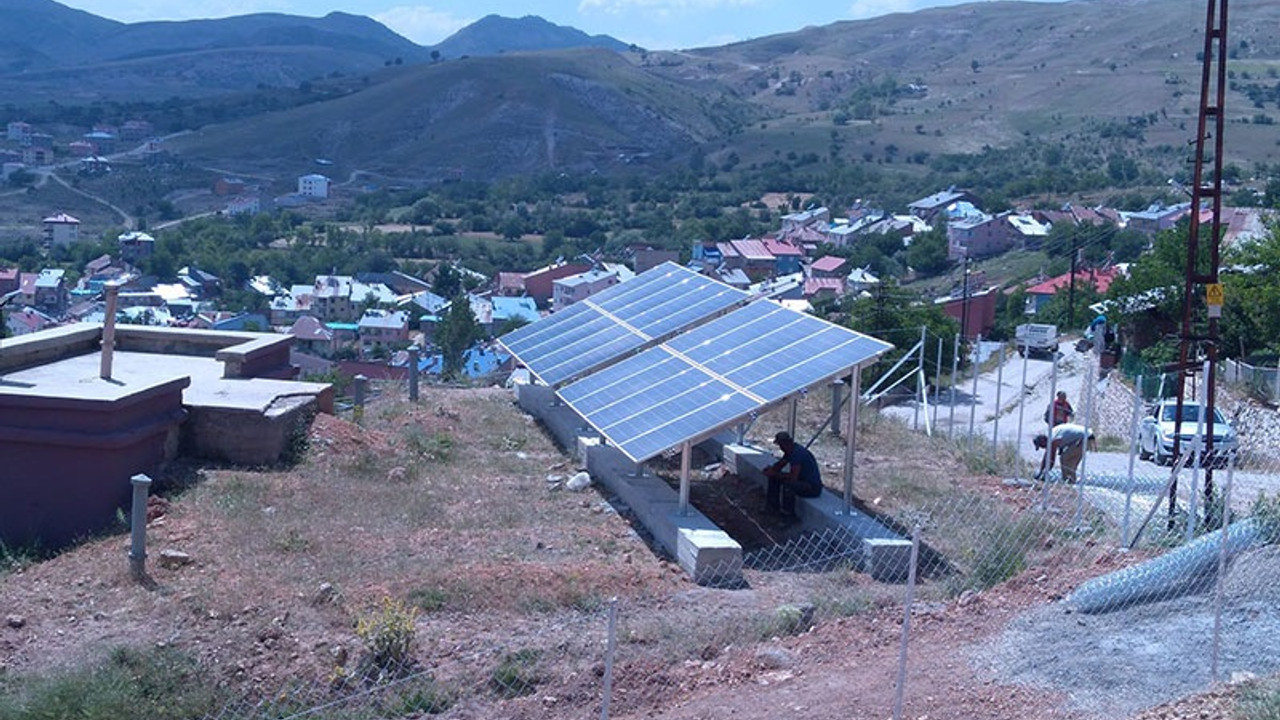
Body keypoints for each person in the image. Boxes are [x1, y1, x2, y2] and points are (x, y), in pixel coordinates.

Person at [762, 431, 823, 517]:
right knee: (774, 478)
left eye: (781, 445)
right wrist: (772, 470)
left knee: (789, 485)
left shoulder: (797, 454)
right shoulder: (790, 451)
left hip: (812, 487)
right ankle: (772, 508)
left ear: (786, 443)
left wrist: (775, 474)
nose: (781, 448)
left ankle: (788, 515)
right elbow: (780, 464)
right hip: (802, 481)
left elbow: (793, 477)